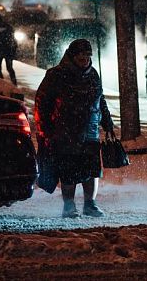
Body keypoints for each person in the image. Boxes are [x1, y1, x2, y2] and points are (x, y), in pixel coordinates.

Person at [34, 38, 115, 218]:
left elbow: (100, 99)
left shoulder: (93, 74)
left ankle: (90, 204)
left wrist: (107, 121)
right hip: (65, 131)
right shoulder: (56, 75)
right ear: (72, 56)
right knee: (69, 170)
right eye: (81, 55)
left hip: (90, 131)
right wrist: (44, 129)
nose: (85, 58)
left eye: (87, 55)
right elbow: (42, 103)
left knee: (92, 170)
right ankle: (69, 206)